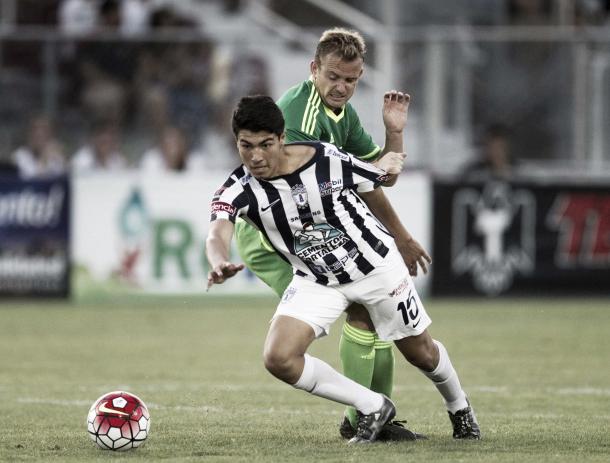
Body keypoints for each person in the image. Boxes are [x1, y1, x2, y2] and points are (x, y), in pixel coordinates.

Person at [206, 95, 481, 444]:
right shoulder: (238, 188)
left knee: (420, 352)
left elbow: (382, 177)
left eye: (265, 145)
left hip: (375, 268)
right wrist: (218, 261)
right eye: (246, 146)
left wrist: (394, 137)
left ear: (281, 138)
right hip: (317, 279)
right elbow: (217, 231)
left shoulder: (325, 158)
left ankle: (460, 408)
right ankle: (372, 405)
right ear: (236, 142)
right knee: (279, 357)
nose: (256, 156)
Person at [234, 27, 431, 440]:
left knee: (371, 314)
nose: (342, 87)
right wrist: (396, 238)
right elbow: (296, 195)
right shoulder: (301, 118)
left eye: (351, 80)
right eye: (334, 77)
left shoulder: (345, 114)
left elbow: (375, 176)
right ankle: (365, 418)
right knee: (360, 307)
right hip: (274, 235)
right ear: (314, 70)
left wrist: (394, 132)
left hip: (312, 228)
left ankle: (374, 416)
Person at [11, 114, 66, 178]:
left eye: (45, 132)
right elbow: (31, 180)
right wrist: (44, 159)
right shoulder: (20, 155)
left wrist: (63, 160)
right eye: (36, 133)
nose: (40, 134)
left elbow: (64, 178)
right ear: (29, 134)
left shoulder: (55, 156)